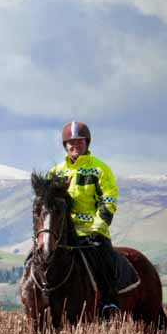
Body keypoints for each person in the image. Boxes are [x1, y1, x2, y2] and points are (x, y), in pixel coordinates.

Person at [49, 121, 121, 319]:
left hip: (91, 233)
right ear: (65, 145)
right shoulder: (55, 173)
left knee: (104, 262)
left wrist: (98, 228)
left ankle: (108, 303)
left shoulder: (100, 169)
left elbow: (108, 200)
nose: (75, 146)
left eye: (79, 142)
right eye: (70, 142)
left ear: (87, 143)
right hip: (64, 235)